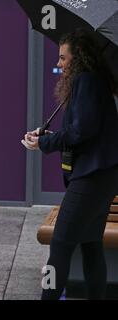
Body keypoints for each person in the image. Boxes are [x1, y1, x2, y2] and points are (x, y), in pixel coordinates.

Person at [22, 29, 118, 300]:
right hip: (102, 177)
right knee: (90, 244)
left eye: (64, 58)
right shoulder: (92, 82)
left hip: (91, 178)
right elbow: (83, 132)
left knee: (61, 244)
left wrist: (44, 144)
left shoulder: (86, 81)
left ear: (79, 58)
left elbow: (81, 132)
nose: (59, 63)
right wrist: (48, 137)